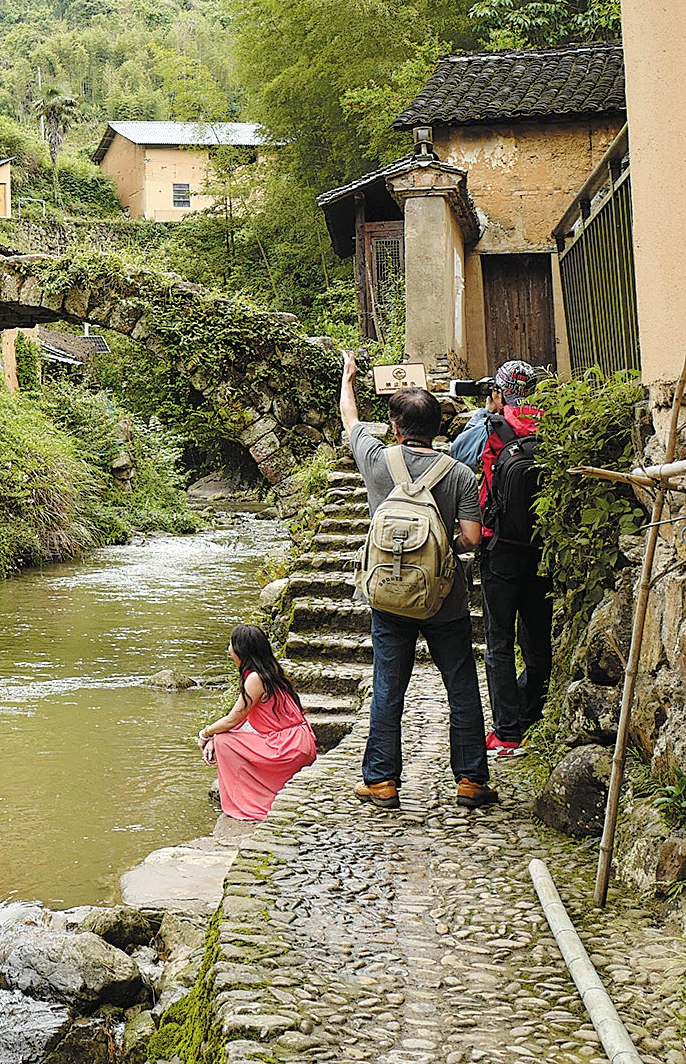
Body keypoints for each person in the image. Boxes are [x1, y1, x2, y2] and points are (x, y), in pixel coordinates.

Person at [341, 350, 498, 810]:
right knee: (462, 686)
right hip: (444, 598)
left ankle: (382, 782)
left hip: (388, 598)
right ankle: (470, 781)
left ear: (394, 427)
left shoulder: (376, 459)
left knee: (389, 687)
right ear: (440, 428)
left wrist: (349, 377)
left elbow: (350, 419)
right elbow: (470, 537)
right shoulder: (460, 474)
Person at [451, 360, 549, 757]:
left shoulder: (493, 425)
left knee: (499, 641)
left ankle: (507, 732)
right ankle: (533, 714)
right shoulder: (552, 424)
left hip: (498, 547)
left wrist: (486, 413)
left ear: (500, 389)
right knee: (538, 637)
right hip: (541, 547)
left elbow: (459, 455)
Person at [198, 624, 318, 822]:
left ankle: (251, 801)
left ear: (242, 650)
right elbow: (238, 720)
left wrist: (206, 734)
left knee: (224, 742)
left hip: (287, 747)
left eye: (231, 644)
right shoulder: (270, 671)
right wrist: (213, 735)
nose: (229, 649)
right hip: (299, 743)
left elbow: (233, 718)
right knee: (221, 738)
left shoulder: (254, 678)